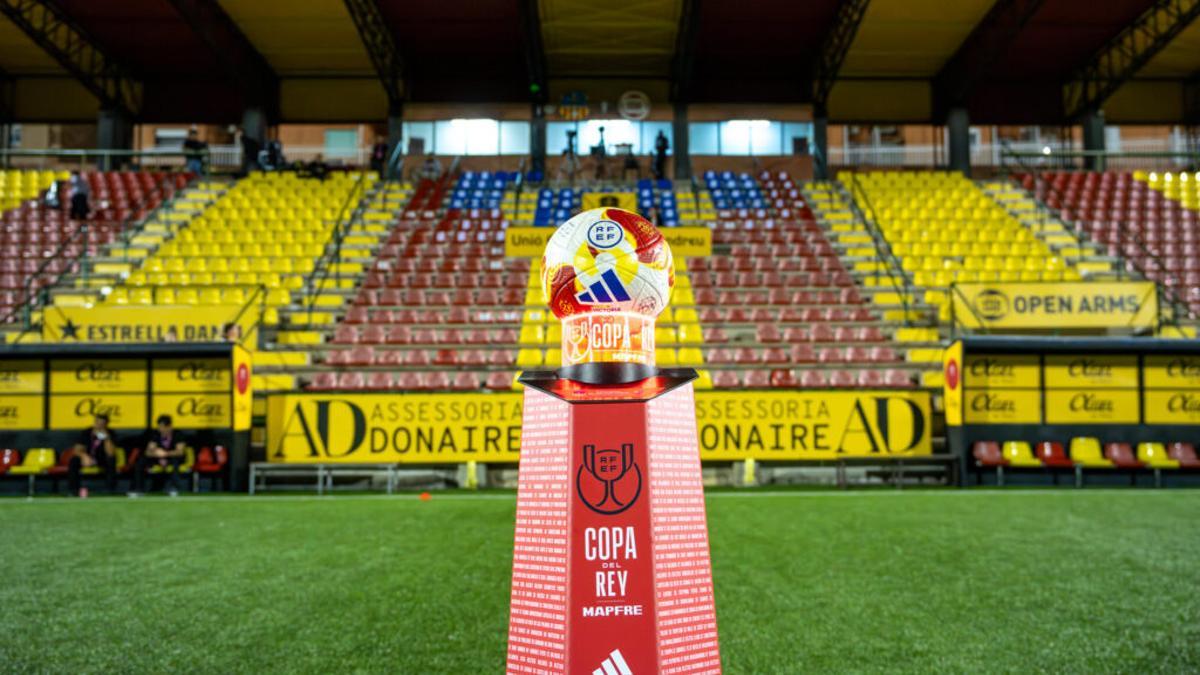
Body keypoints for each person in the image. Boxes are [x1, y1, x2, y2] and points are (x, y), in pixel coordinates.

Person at [132, 415, 189, 497]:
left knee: (175, 462)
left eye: (162, 427)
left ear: (169, 427)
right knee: (140, 462)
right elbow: (148, 452)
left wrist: (165, 454)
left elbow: (179, 452)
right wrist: (157, 454)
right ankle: (138, 489)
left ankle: (174, 488)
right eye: (159, 427)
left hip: (173, 458)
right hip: (157, 458)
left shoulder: (178, 434)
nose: (160, 430)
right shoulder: (156, 434)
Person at [69, 414, 119, 495]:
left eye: (102, 424)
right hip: (87, 458)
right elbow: (77, 449)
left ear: (106, 424)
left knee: (111, 460)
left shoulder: (111, 433)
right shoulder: (86, 432)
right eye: (98, 423)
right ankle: (73, 490)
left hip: (102, 459)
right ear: (94, 422)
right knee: (74, 460)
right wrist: (84, 456)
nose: (99, 426)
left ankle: (110, 490)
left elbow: (110, 453)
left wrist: (107, 438)